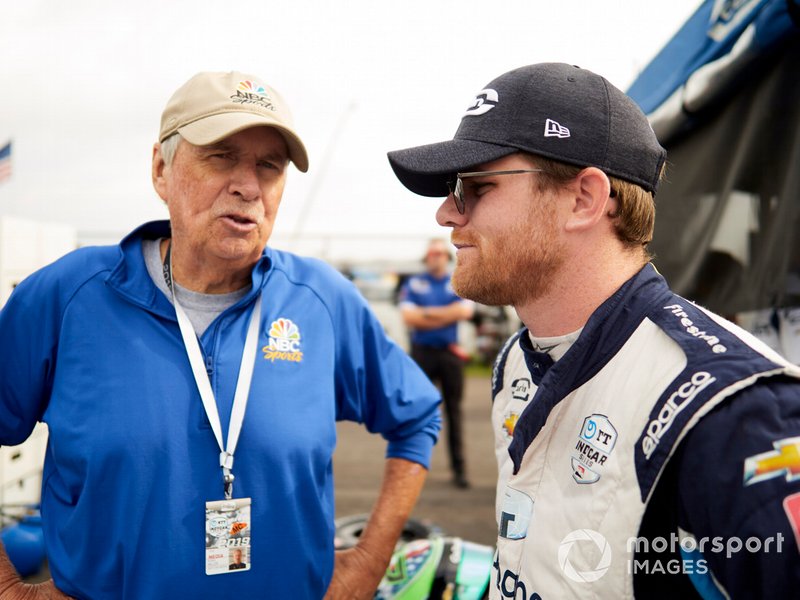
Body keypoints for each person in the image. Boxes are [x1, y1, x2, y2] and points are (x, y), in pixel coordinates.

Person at [0, 70, 441, 600]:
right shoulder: (69, 296)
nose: (248, 185)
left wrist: (370, 560)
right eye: (221, 156)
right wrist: (8, 586)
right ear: (162, 169)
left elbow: (416, 415)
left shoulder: (321, 301)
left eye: (269, 166)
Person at [387, 62, 800, 598]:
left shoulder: (732, 410)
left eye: (474, 186)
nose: (446, 213)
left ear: (583, 198)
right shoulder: (518, 359)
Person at [398, 239, 474, 488]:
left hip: (449, 355)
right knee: (417, 411)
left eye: (441, 253)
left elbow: (464, 312)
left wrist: (427, 313)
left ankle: (459, 470)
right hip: (422, 354)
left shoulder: (458, 280)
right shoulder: (414, 283)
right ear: (426, 257)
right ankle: (410, 469)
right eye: (432, 253)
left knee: (454, 413)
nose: (437, 257)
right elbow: (409, 317)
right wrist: (446, 313)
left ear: (446, 257)